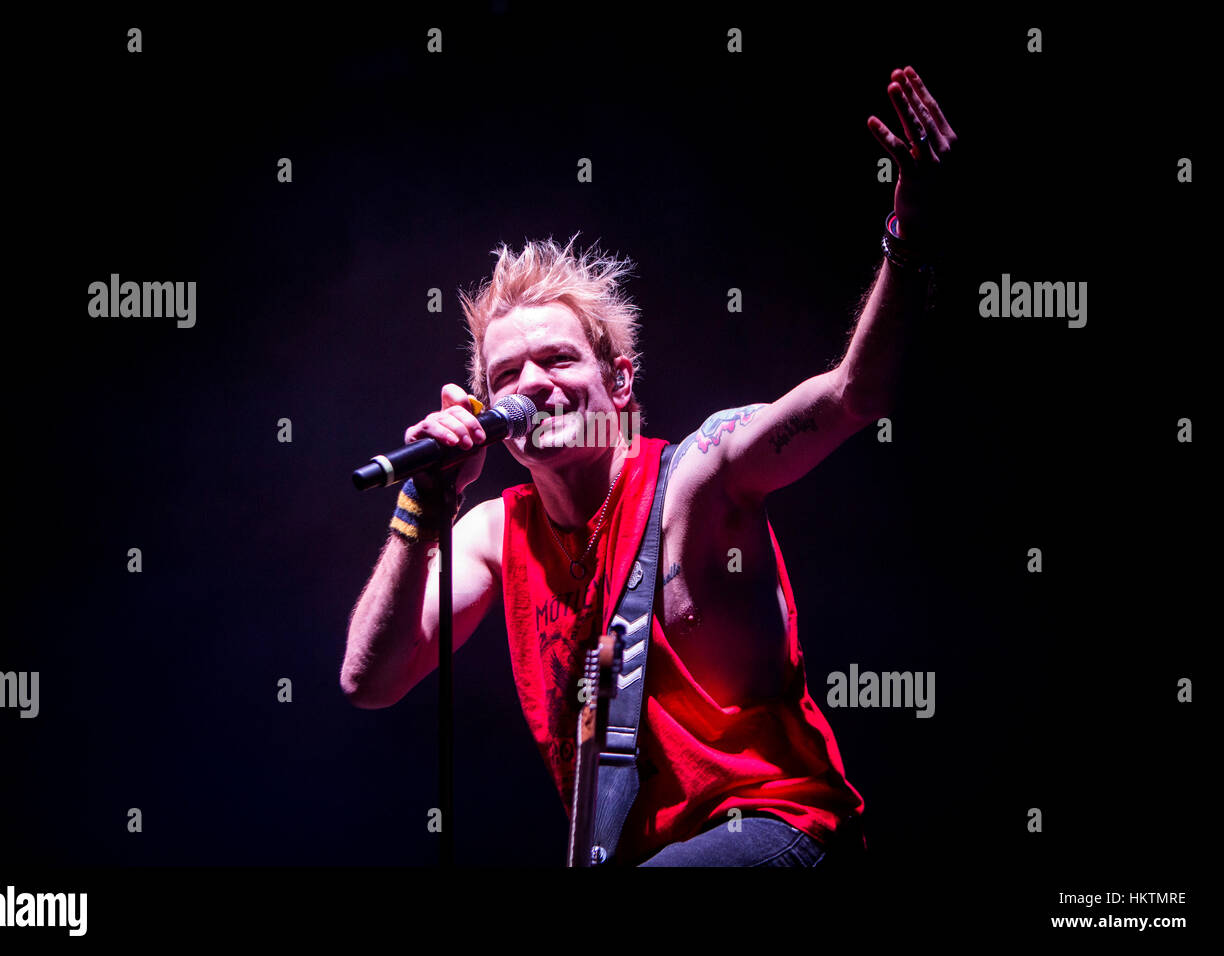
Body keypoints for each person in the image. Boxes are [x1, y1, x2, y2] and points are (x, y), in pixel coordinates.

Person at [342, 64, 957, 866]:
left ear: (619, 382)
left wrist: (910, 230)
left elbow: (853, 395)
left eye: (558, 359)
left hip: (780, 832)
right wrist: (424, 507)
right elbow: (371, 679)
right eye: (506, 375)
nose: (531, 384)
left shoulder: (697, 478)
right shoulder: (496, 535)